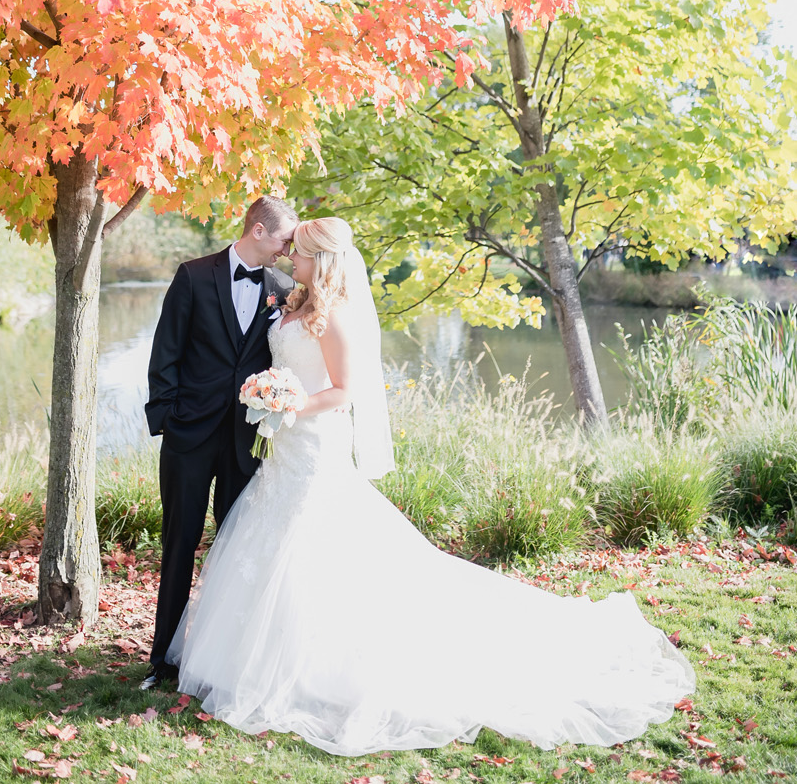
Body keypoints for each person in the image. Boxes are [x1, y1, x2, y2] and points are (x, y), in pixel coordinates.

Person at [163, 215, 696, 755]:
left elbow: (345, 390)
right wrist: (269, 395)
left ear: (320, 260)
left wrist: (294, 403)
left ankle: (320, 669)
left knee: (312, 551)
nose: (288, 261)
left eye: (298, 254)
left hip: (314, 443)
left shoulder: (337, 317)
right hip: (284, 450)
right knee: (270, 547)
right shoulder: (292, 302)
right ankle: (256, 658)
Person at [141, 195, 298, 690]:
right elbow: (165, 350)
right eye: (283, 240)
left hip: (246, 441)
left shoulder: (284, 287)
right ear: (257, 231)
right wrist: (168, 418)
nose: (287, 250)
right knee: (178, 546)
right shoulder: (193, 275)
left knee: (239, 552)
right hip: (189, 436)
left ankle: (227, 664)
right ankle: (161, 662)